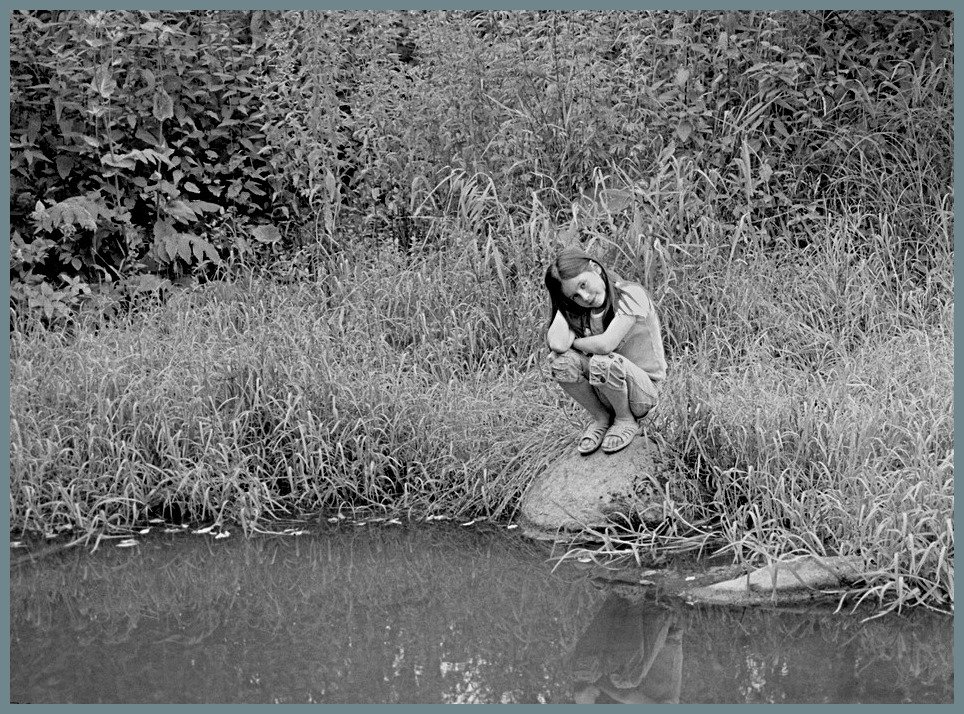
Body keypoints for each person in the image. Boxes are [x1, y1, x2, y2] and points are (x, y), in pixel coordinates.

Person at [544, 246, 667, 455]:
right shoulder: (582, 309)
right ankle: (602, 418)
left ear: (595, 268)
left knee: (603, 360)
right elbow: (557, 344)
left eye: (583, 284)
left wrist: (576, 343)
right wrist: (563, 305)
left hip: (644, 392)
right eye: (575, 296)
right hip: (608, 389)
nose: (585, 296)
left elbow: (605, 345)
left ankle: (626, 420)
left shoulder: (631, 294)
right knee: (559, 362)